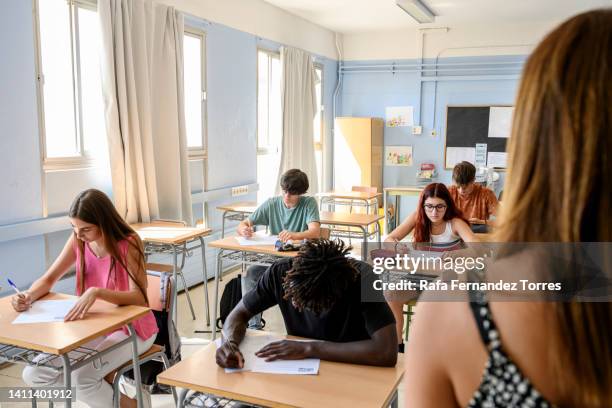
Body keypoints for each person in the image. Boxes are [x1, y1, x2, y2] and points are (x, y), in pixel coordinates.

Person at [405, 10, 612, 407]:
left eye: (463, 185)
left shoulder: (455, 307)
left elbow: (492, 226)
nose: (458, 190)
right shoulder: (444, 200)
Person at [11, 189, 158, 408]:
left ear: (104, 222)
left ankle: (127, 404)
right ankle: (124, 401)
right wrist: (28, 296)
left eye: (86, 229)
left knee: (82, 379)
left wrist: (97, 292)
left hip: (133, 329)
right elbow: (49, 278)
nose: (78, 235)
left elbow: (140, 298)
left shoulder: (129, 242)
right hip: (93, 326)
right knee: (34, 373)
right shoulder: (79, 240)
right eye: (74, 228)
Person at [216, 239, 397, 368]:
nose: (295, 304)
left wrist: (310, 348)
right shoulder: (280, 273)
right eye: (293, 297)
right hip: (300, 370)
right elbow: (238, 314)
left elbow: (386, 351)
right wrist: (230, 342)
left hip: (353, 367)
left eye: (309, 303)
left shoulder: (363, 278)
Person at [385, 182, 478, 350]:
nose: (434, 212)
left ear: (447, 205)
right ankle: (397, 348)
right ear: (423, 205)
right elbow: (389, 239)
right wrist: (397, 246)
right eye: (429, 207)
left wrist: (459, 254)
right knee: (391, 294)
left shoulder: (455, 223)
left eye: (439, 207)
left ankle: (435, 350)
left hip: (446, 280)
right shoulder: (417, 217)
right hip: (419, 276)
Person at [237, 168, 320, 329]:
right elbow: (245, 223)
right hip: (273, 260)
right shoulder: (272, 204)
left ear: (301, 193)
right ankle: (254, 326)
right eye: (285, 191)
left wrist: (293, 235)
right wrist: (243, 229)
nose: (287, 196)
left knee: (299, 280)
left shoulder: (308, 203)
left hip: (298, 261)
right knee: (251, 273)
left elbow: (315, 231)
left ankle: (302, 329)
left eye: (292, 193)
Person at [448, 161, 499, 231]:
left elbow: (506, 220)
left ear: (473, 180)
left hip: (477, 233)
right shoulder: (449, 192)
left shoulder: (486, 194)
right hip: (454, 232)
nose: (461, 190)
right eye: (458, 186)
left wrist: (482, 222)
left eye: (465, 187)